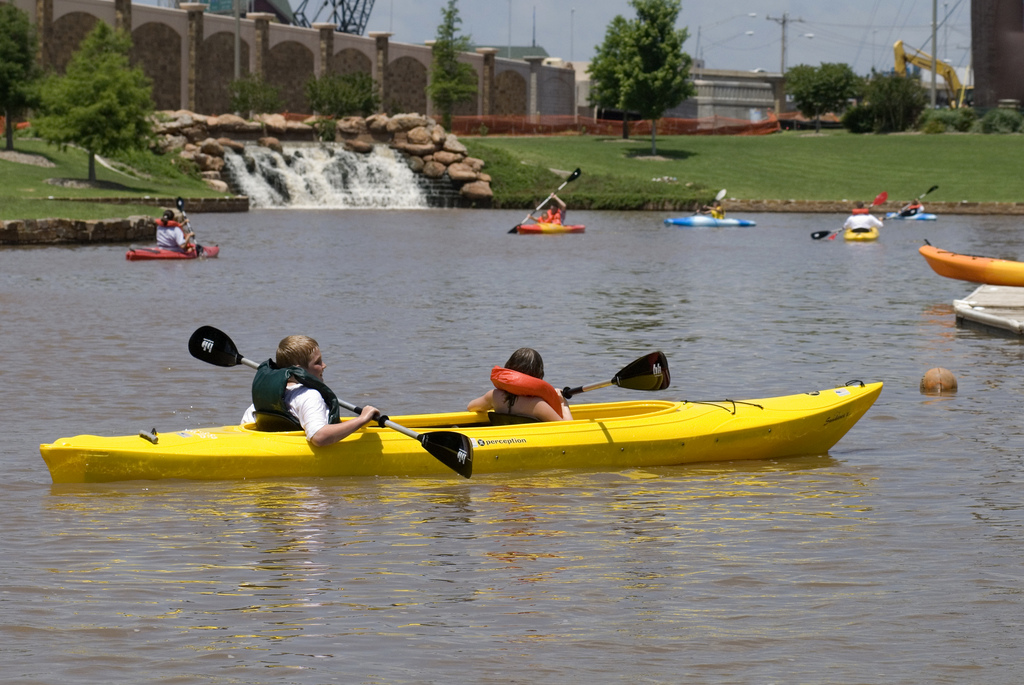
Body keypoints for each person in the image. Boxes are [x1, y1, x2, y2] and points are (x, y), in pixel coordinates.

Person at [241, 335, 379, 447]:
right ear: (299, 370)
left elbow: (244, 429)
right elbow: (320, 437)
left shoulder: (264, 398)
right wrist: (362, 419)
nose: (324, 366)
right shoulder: (309, 396)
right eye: (318, 362)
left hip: (270, 447)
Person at [467, 347, 574, 422]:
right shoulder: (537, 405)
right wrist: (562, 402)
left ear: (509, 368)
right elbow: (567, 428)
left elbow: (471, 407)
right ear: (538, 375)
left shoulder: (494, 396)